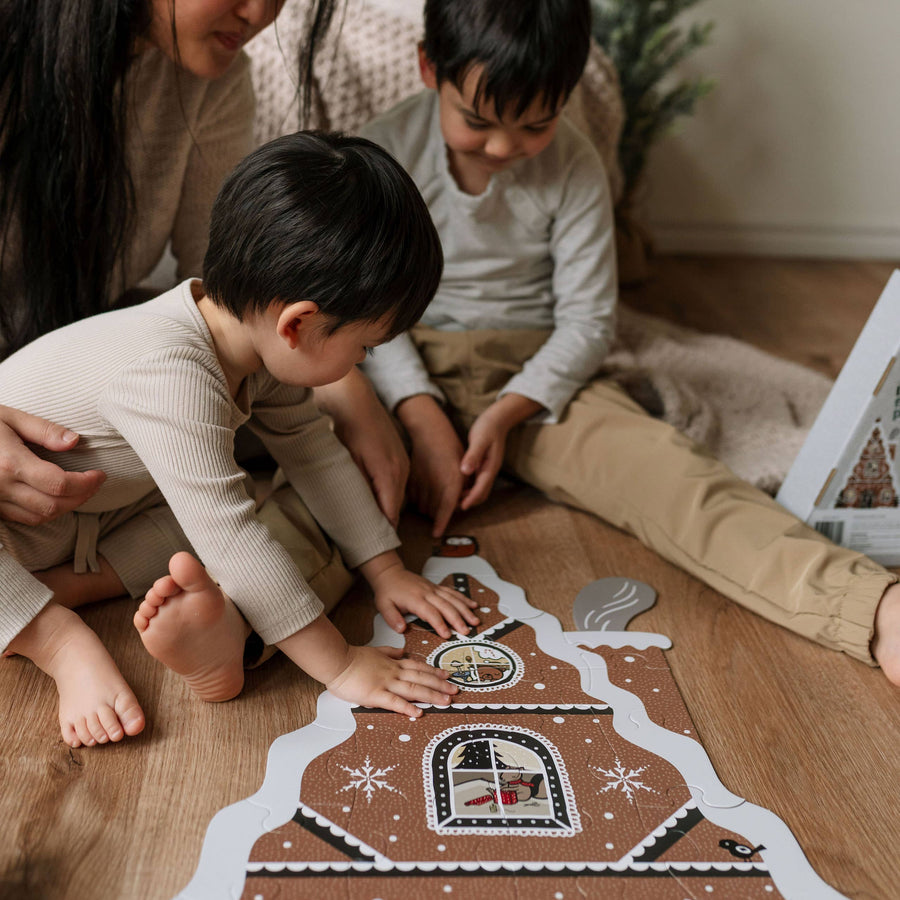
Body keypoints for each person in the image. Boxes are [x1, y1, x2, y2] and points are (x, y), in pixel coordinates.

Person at [358, 0, 900, 684]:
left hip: (540, 375)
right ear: (428, 69)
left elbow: (588, 322)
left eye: (534, 125)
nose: (502, 148)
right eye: (477, 122)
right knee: (324, 477)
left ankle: (874, 608)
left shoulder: (576, 167)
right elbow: (364, 308)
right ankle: (239, 616)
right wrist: (417, 409)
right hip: (397, 361)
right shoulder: (379, 152)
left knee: (677, 480)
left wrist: (511, 409)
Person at [0, 131, 481, 749]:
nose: (360, 363)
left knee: (223, 509)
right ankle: (56, 636)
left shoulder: (253, 347)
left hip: (80, 517)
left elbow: (315, 451)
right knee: (230, 531)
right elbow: (232, 538)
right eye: (364, 347)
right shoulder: (170, 372)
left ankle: (71, 582)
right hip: (16, 526)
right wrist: (342, 665)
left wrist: (385, 570)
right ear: (299, 324)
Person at [0, 0, 410, 611]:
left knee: (252, 487)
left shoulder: (211, 74)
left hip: (94, 461)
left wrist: (356, 402)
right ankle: (48, 621)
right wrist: (344, 666)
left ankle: (86, 585)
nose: (259, 13)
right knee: (229, 518)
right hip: (54, 417)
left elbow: (236, 293)